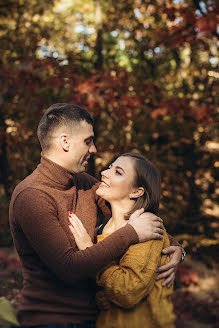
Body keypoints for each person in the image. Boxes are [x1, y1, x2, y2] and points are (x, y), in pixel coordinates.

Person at [9, 103, 183, 327]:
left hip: (96, 317)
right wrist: (131, 234)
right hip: (53, 320)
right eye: (88, 141)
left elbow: (134, 213)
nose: (94, 149)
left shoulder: (83, 183)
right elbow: (69, 268)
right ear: (65, 141)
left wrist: (175, 248)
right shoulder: (32, 197)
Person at [68, 153, 176, 327]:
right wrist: (101, 294)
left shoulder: (148, 228)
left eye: (118, 172)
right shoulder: (101, 230)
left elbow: (128, 291)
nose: (104, 172)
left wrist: (91, 253)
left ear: (136, 191)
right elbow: (105, 284)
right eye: (109, 167)